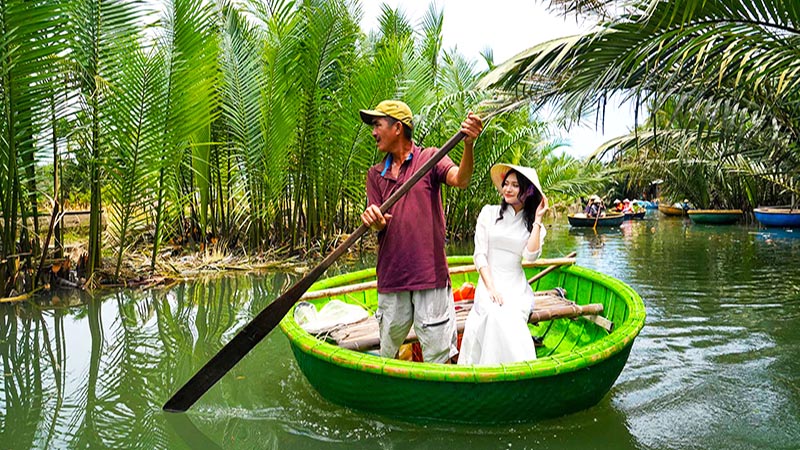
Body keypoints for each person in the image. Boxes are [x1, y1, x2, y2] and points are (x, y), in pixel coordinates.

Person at [359, 100, 483, 363]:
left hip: (429, 276)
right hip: (392, 278)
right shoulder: (375, 174)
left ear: (398, 128)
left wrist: (469, 145)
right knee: (387, 353)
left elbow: (460, 180)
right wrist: (374, 219)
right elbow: (379, 221)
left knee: (438, 355)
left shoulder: (430, 158)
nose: (373, 132)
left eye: (377, 124)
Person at [458, 164, 548, 365]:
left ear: (527, 190)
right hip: (490, 282)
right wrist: (491, 289)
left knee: (509, 315)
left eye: (515, 185)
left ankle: (519, 369)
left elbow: (530, 257)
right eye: (506, 184)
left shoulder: (533, 224)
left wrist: (538, 219)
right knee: (492, 312)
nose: (508, 189)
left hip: (515, 286)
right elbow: (479, 255)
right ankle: (489, 368)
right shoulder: (488, 213)